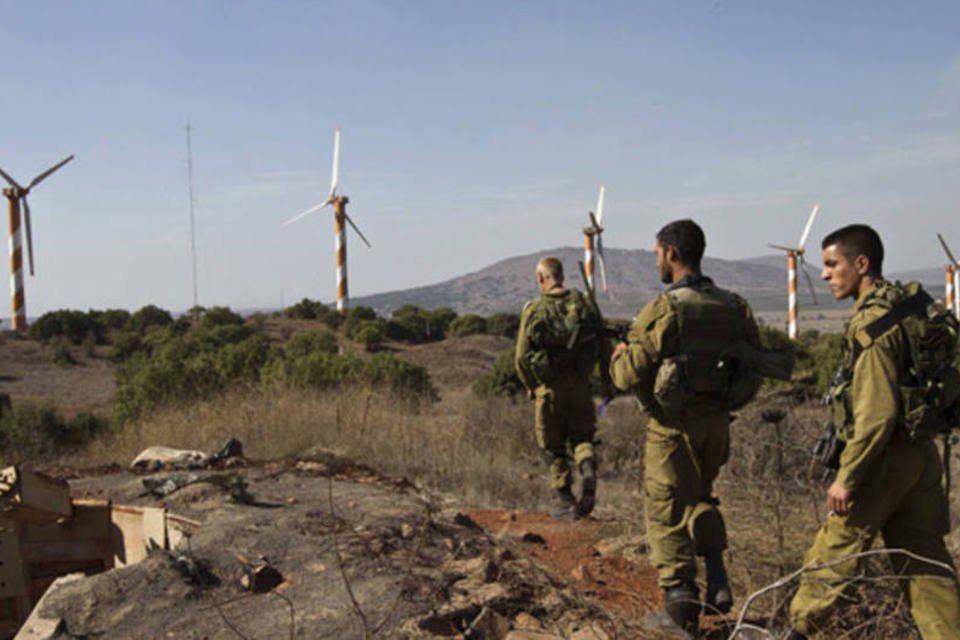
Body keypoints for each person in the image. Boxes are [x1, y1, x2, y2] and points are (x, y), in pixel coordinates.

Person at [787, 225, 960, 639]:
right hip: (920, 455)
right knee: (926, 566)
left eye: (832, 264)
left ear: (861, 264)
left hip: (882, 460)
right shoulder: (908, 304)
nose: (825, 275)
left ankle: (793, 633)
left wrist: (847, 479)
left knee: (832, 554)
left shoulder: (873, 324)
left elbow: (877, 414)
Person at [609, 219, 761, 636]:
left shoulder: (666, 309)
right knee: (701, 496)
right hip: (717, 425)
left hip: (673, 430)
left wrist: (619, 354)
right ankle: (716, 576)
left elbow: (627, 376)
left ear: (671, 253)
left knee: (666, 511)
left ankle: (679, 609)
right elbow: (755, 365)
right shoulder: (734, 305)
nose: (656, 261)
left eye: (657, 253)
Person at [515, 256, 609, 520]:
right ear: (562, 276)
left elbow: (521, 357)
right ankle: (587, 468)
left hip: (548, 390)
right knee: (582, 438)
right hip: (580, 387)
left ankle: (567, 502)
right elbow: (603, 345)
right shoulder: (584, 304)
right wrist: (606, 382)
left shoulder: (534, 309)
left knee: (552, 448)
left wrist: (531, 385)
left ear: (541, 279)